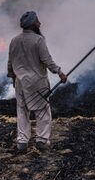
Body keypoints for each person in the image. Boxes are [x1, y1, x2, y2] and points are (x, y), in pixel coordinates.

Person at [7, 11, 67, 152]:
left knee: (22, 110)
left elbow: (10, 63)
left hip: (20, 82)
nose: (40, 23)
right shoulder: (38, 40)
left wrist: (12, 77)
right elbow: (47, 61)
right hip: (37, 83)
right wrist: (60, 73)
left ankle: (22, 141)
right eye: (38, 21)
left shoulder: (14, 40)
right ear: (33, 24)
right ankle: (41, 140)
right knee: (42, 111)